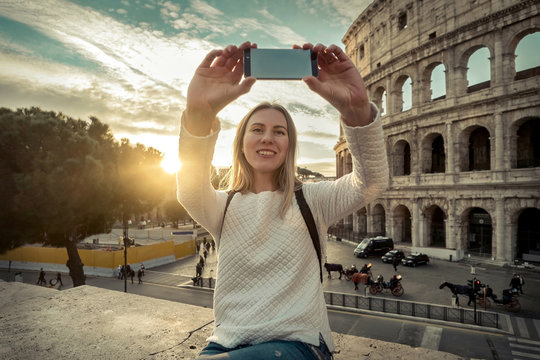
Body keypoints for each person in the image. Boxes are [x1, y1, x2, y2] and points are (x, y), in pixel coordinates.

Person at [176, 41, 388, 360]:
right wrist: (198, 113)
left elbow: (371, 182)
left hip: (298, 342)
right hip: (226, 342)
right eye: (257, 129)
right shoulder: (223, 206)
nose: (267, 137)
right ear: (241, 144)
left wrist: (357, 111)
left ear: (289, 145)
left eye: (279, 131)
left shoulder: (313, 199)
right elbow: (189, 188)